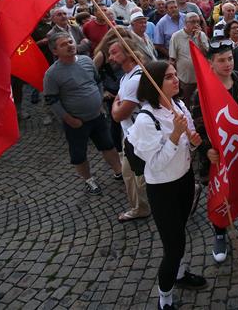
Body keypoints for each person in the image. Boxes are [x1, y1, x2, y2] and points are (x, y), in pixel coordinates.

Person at [127, 61, 207, 310]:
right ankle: (165, 299)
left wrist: (193, 141)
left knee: (181, 232)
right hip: (162, 188)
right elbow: (156, 164)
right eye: (169, 77)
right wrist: (174, 136)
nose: (176, 80)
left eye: (175, 75)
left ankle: (181, 275)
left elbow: (190, 144)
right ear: (154, 84)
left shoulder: (179, 105)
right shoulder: (145, 119)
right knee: (173, 247)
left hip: (184, 180)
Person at [190, 41, 238, 263]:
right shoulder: (202, 92)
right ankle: (220, 233)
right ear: (210, 64)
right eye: (221, 60)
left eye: (230, 59)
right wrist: (207, 150)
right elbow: (199, 125)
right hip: (218, 154)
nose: (227, 64)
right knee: (221, 191)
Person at [43, 33, 122, 195]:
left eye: (70, 41)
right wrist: (68, 119)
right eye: (63, 44)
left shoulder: (86, 61)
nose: (70, 45)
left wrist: (99, 101)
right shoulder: (52, 74)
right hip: (76, 121)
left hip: (97, 116)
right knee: (79, 153)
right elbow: (52, 100)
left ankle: (119, 170)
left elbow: (97, 81)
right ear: (55, 51)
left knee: (107, 145)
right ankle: (89, 180)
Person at [108, 39, 151, 223]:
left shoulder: (134, 80)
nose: (110, 57)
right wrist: (116, 105)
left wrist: (116, 106)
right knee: (133, 174)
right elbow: (118, 103)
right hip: (131, 136)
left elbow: (118, 114)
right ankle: (141, 206)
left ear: (128, 53)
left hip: (138, 137)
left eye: (114, 52)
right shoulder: (126, 76)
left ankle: (141, 208)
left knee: (136, 175)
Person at [168, 12, 209, 103]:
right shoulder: (176, 36)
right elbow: (172, 59)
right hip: (185, 80)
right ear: (186, 23)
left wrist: (198, 39)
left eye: (198, 22)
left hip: (201, 78)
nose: (196, 24)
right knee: (187, 103)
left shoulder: (201, 35)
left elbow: (206, 54)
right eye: (193, 22)